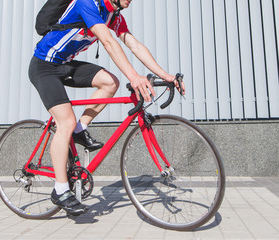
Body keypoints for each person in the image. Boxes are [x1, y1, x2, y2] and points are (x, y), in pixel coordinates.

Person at [29, 0, 185, 216]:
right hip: (44, 66)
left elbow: (135, 45)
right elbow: (107, 41)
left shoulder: (113, 15)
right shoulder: (87, 3)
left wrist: (165, 75)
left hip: (65, 65)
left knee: (110, 82)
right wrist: (134, 77)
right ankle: (61, 189)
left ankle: (79, 130)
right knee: (65, 121)